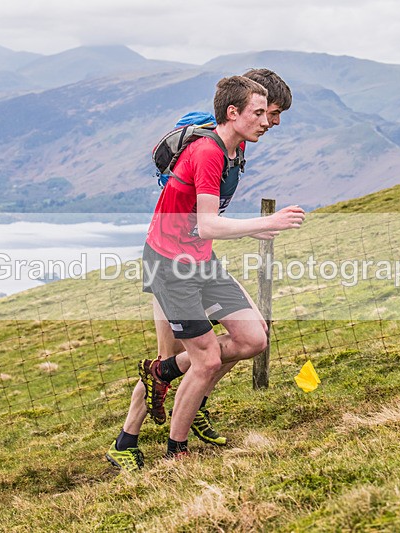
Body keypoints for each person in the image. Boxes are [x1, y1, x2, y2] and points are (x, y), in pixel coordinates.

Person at [106, 72, 303, 471]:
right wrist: (266, 224)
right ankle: (132, 445)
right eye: (264, 113)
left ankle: (169, 377)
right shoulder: (209, 150)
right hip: (169, 265)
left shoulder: (234, 149)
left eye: (271, 113)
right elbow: (207, 223)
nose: (269, 122)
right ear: (234, 112)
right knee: (203, 360)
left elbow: (204, 222)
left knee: (251, 339)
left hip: (200, 260)